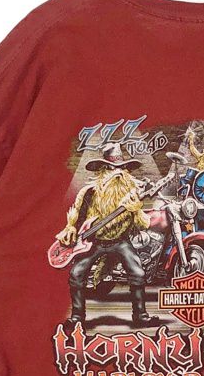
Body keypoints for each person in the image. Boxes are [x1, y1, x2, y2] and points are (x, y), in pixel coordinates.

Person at [56, 142, 159, 332]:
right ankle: (77, 317)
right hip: (93, 242)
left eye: (122, 168)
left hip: (120, 241)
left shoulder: (133, 195)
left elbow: (143, 224)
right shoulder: (89, 193)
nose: (118, 173)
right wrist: (70, 229)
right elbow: (77, 217)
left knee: (137, 273)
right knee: (76, 274)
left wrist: (136, 210)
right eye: (112, 168)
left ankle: (140, 316)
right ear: (103, 170)